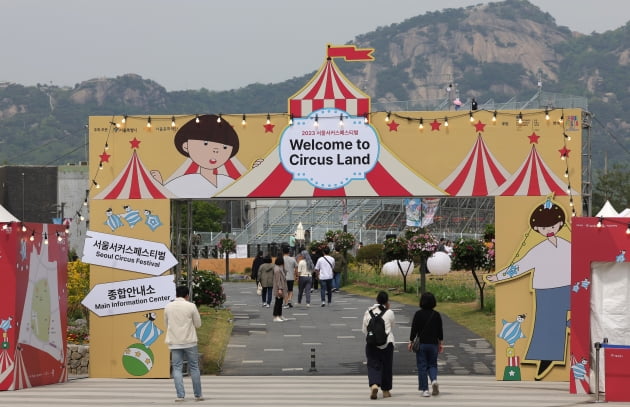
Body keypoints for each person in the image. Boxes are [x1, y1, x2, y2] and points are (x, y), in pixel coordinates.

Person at [485, 198, 571, 380]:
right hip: (546, 290)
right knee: (546, 324)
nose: (549, 230)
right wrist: (498, 277)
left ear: (561, 224)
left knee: (567, 319)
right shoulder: (538, 250)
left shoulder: (568, 246)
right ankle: (547, 358)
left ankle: (563, 344)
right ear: (537, 229)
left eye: (552, 226)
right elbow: (520, 265)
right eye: (543, 228)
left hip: (567, 287)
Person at [150, 114, 244, 198]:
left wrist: (255, 171)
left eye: (224, 147)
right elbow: (167, 193)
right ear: (186, 146)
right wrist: (159, 185)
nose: (215, 151)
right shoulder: (183, 181)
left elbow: (245, 189)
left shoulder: (227, 180)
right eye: (206, 144)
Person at [164, 285, 203, 402]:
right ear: (187, 295)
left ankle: (180, 395)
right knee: (194, 367)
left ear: (175, 295)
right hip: (190, 341)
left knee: (176, 368)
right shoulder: (191, 306)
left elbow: (166, 325)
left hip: (174, 341)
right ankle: (198, 395)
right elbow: (198, 324)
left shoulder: (168, 306)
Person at [408, 291, 444, 398]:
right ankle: (433, 380)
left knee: (422, 366)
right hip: (433, 344)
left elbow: (414, 329)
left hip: (422, 344)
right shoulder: (436, 315)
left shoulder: (418, 314)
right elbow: (440, 331)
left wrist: (411, 341)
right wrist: (440, 343)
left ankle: (425, 390)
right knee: (432, 364)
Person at [362, 291, 396, 400]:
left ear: (376, 300)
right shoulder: (390, 312)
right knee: (387, 366)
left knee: (372, 364)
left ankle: (374, 385)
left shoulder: (368, 311)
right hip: (387, 343)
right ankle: (386, 391)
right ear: (387, 301)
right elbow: (392, 326)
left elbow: (364, 329)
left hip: (371, 343)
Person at [272, 256, 288, 322]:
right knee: (278, 302)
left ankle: (280, 315)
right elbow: (278, 280)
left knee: (280, 302)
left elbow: (285, 272)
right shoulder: (277, 269)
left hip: (280, 287)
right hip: (279, 288)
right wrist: (280, 289)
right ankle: (276, 316)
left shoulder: (279, 268)